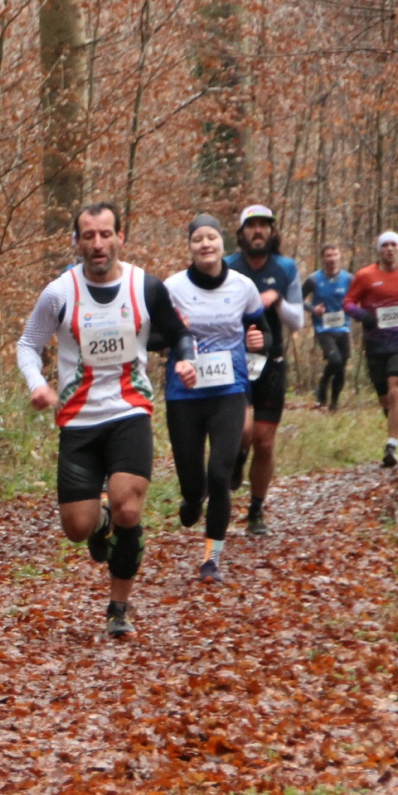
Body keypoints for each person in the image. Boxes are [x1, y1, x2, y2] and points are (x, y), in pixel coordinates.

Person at [16, 202, 194, 635]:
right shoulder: (59, 293)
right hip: (78, 420)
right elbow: (28, 344)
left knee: (128, 506)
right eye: (88, 236)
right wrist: (36, 383)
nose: (98, 244)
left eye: (105, 234)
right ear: (76, 242)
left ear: (120, 238)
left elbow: (179, 333)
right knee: (77, 528)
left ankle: (119, 609)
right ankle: (101, 522)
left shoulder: (145, 287)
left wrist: (187, 360)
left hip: (129, 412)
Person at [164, 215, 265, 583]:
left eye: (211, 237)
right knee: (193, 485)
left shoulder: (243, 286)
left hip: (229, 391)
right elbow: (154, 336)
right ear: (190, 247)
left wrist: (258, 341)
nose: (205, 244)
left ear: (223, 243)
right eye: (198, 239)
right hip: (184, 394)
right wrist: (176, 339)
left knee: (220, 475)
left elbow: (263, 333)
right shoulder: (172, 288)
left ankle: (212, 560)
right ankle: (193, 498)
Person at [225, 205, 304, 535]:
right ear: (241, 233)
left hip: (272, 363)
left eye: (263, 225)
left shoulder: (285, 268)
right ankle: (238, 455)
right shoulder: (228, 266)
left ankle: (256, 510)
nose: (257, 231)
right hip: (233, 361)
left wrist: (277, 300)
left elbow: (298, 322)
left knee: (265, 442)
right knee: (242, 430)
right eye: (251, 225)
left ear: (272, 232)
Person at [343, 231, 398, 469]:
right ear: (379, 250)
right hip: (376, 343)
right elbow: (348, 303)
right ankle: (394, 422)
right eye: (385, 245)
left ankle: (391, 445)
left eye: (394, 244)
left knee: (396, 388)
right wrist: (363, 315)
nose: (390, 249)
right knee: (385, 398)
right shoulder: (366, 275)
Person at [304, 244, 353, 412]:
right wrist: (313, 309)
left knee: (341, 367)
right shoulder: (313, 279)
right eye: (328, 255)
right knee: (335, 360)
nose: (332, 259)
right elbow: (297, 299)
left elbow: (357, 298)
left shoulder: (348, 279)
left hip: (343, 328)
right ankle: (323, 382)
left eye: (335, 254)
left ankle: (334, 404)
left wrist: (354, 308)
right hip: (323, 329)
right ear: (323, 258)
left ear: (340, 256)